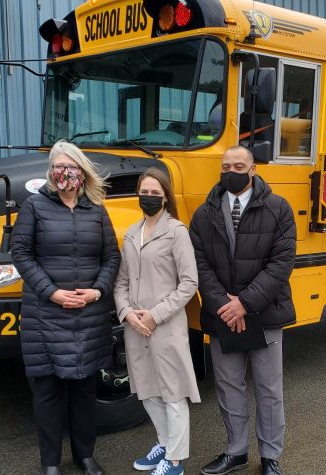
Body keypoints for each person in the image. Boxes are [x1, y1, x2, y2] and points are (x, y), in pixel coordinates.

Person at [11, 140, 120, 475]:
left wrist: (97, 292)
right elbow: (21, 253)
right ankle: (50, 463)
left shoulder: (96, 210)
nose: (64, 172)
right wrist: (53, 293)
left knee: (85, 392)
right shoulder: (34, 206)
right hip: (46, 315)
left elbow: (111, 257)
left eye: (70, 166)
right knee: (48, 395)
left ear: (82, 171)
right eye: (58, 166)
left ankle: (85, 456)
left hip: (88, 316)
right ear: (51, 172)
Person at [189, 146, 297, 475]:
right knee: (228, 385)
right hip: (223, 315)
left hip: (264, 313)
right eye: (226, 166)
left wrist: (244, 303)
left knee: (268, 388)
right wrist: (224, 305)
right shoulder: (204, 212)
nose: (231, 171)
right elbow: (199, 263)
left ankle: (270, 457)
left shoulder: (278, 208)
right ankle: (235, 451)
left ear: (253, 170)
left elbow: (282, 263)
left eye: (239, 165)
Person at [114, 168, 201, 475]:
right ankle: (164, 445)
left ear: (165, 197)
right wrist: (126, 313)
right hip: (135, 327)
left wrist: (155, 314)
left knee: (173, 393)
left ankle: (175, 461)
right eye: (144, 192)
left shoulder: (177, 232)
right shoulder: (130, 234)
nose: (148, 197)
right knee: (148, 391)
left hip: (165, 326)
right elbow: (121, 282)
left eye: (155, 193)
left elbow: (189, 283)